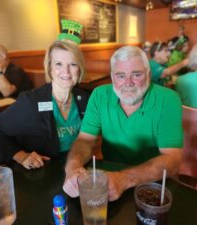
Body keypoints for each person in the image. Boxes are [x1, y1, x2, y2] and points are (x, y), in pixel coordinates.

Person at [62, 46, 183, 201]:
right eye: (120, 76)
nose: (128, 83)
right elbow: (85, 140)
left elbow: (172, 159)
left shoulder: (169, 99)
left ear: (149, 74)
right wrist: (73, 166)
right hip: (109, 179)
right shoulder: (99, 95)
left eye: (136, 74)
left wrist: (124, 179)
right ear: (112, 77)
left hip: (152, 183)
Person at [0, 21, 89, 170]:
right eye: (58, 64)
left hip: (75, 168)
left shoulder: (84, 99)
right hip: (40, 173)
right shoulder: (31, 101)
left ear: (79, 69)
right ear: (49, 67)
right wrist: (21, 156)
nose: (66, 72)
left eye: (73, 64)